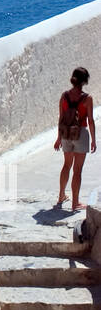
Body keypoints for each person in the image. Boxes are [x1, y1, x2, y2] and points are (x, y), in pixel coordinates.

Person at [54, 67, 96, 210]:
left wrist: (58, 138)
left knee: (66, 165)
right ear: (84, 81)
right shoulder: (87, 98)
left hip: (66, 134)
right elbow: (90, 120)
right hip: (80, 135)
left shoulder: (64, 96)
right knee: (77, 170)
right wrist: (94, 140)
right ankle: (75, 203)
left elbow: (61, 118)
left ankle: (61, 195)